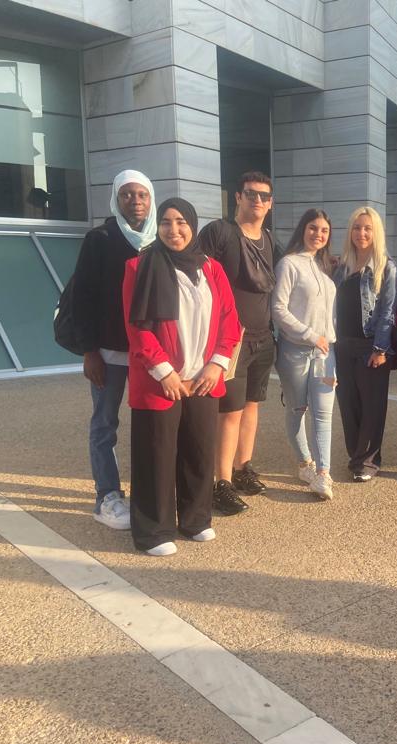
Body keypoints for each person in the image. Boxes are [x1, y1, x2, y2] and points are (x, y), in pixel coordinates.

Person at [122, 198, 242, 556]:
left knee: (199, 451)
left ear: (193, 224)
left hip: (203, 378)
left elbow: (230, 321)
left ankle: (195, 519)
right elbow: (136, 328)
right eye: (166, 222)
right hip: (160, 381)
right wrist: (165, 372)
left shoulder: (212, 269)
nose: (174, 230)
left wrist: (216, 364)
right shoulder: (138, 266)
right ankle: (153, 530)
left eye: (181, 222)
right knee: (156, 454)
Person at [70, 169, 157, 530]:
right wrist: (89, 351)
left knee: (151, 424)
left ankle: (148, 492)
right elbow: (82, 298)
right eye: (127, 195)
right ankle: (106, 496)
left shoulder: (159, 241)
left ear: (151, 199)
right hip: (108, 352)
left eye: (142, 195)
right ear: (116, 199)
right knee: (105, 424)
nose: (135, 201)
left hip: (150, 354)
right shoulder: (100, 238)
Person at [197, 171, 282, 515]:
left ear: (270, 203)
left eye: (264, 196)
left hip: (263, 338)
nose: (257, 201)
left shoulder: (271, 240)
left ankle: (243, 467)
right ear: (238, 197)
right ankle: (221, 482)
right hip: (230, 340)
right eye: (251, 194)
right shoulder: (219, 233)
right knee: (229, 412)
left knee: (252, 405)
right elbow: (197, 280)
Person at [272, 209, 338, 500]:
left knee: (323, 413)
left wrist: (327, 339)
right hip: (295, 353)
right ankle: (305, 464)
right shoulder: (289, 264)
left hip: (325, 355)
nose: (318, 234)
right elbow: (278, 309)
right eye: (313, 228)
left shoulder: (323, 267)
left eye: (324, 230)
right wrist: (311, 335)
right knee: (297, 409)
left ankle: (323, 473)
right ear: (303, 229)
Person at [332, 207, 397, 482]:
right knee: (348, 405)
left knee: (372, 407)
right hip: (342, 345)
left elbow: (388, 311)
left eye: (367, 228)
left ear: (376, 232)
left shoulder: (385, 267)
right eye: (357, 227)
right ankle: (355, 456)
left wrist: (381, 349)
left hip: (370, 346)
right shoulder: (342, 265)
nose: (362, 233)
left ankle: (369, 461)